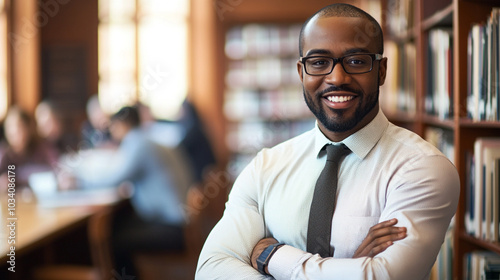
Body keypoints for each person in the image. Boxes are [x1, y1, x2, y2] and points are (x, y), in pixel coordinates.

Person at [196, 3, 459, 280]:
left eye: (356, 61)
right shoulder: (265, 167)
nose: (337, 78)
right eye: (319, 62)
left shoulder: (422, 169)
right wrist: (349, 269)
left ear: (381, 71)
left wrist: (270, 256)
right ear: (301, 73)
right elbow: (211, 270)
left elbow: (385, 277)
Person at [80, 106, 194, 276]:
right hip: (180, 220)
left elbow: (113, 178)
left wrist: (79, 179)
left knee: (112, 239)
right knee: (119, 224)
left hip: (171, 226)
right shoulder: (146, 138)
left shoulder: (137, 143)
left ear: (122, 125)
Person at [0, 106, 58, 191]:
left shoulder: (40, 149)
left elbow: (55, 169)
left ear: (28, 129)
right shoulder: (4, 154)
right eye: (10, 127)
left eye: (19, 127)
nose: (14, 131)